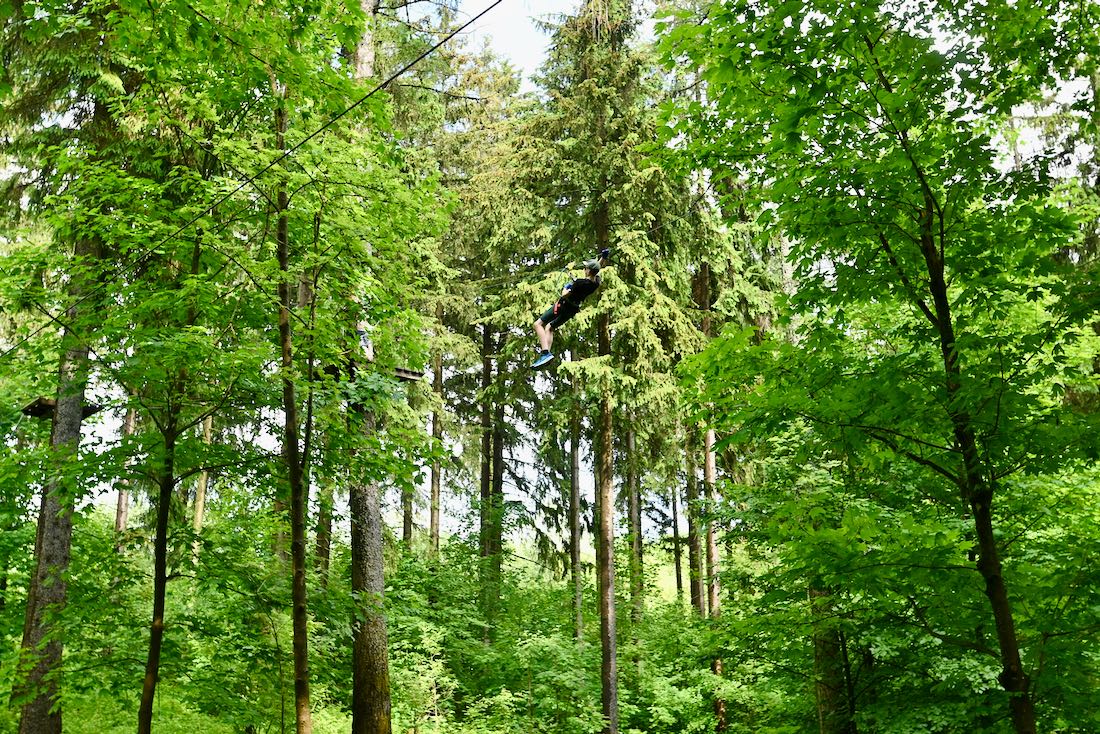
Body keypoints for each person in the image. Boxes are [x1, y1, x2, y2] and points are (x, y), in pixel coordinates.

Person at [531, 249, 610, 369]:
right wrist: (603, 258)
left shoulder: (579, 283)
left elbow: (564, 295)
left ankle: (545, 353)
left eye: (585, 268)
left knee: (538, 324)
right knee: (550, 327)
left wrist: (566, 286)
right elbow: (597, 269)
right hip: (572, 310)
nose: (584, 269)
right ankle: (547, 354)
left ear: (588, 271)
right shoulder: (596, 283)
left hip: (562, 306)